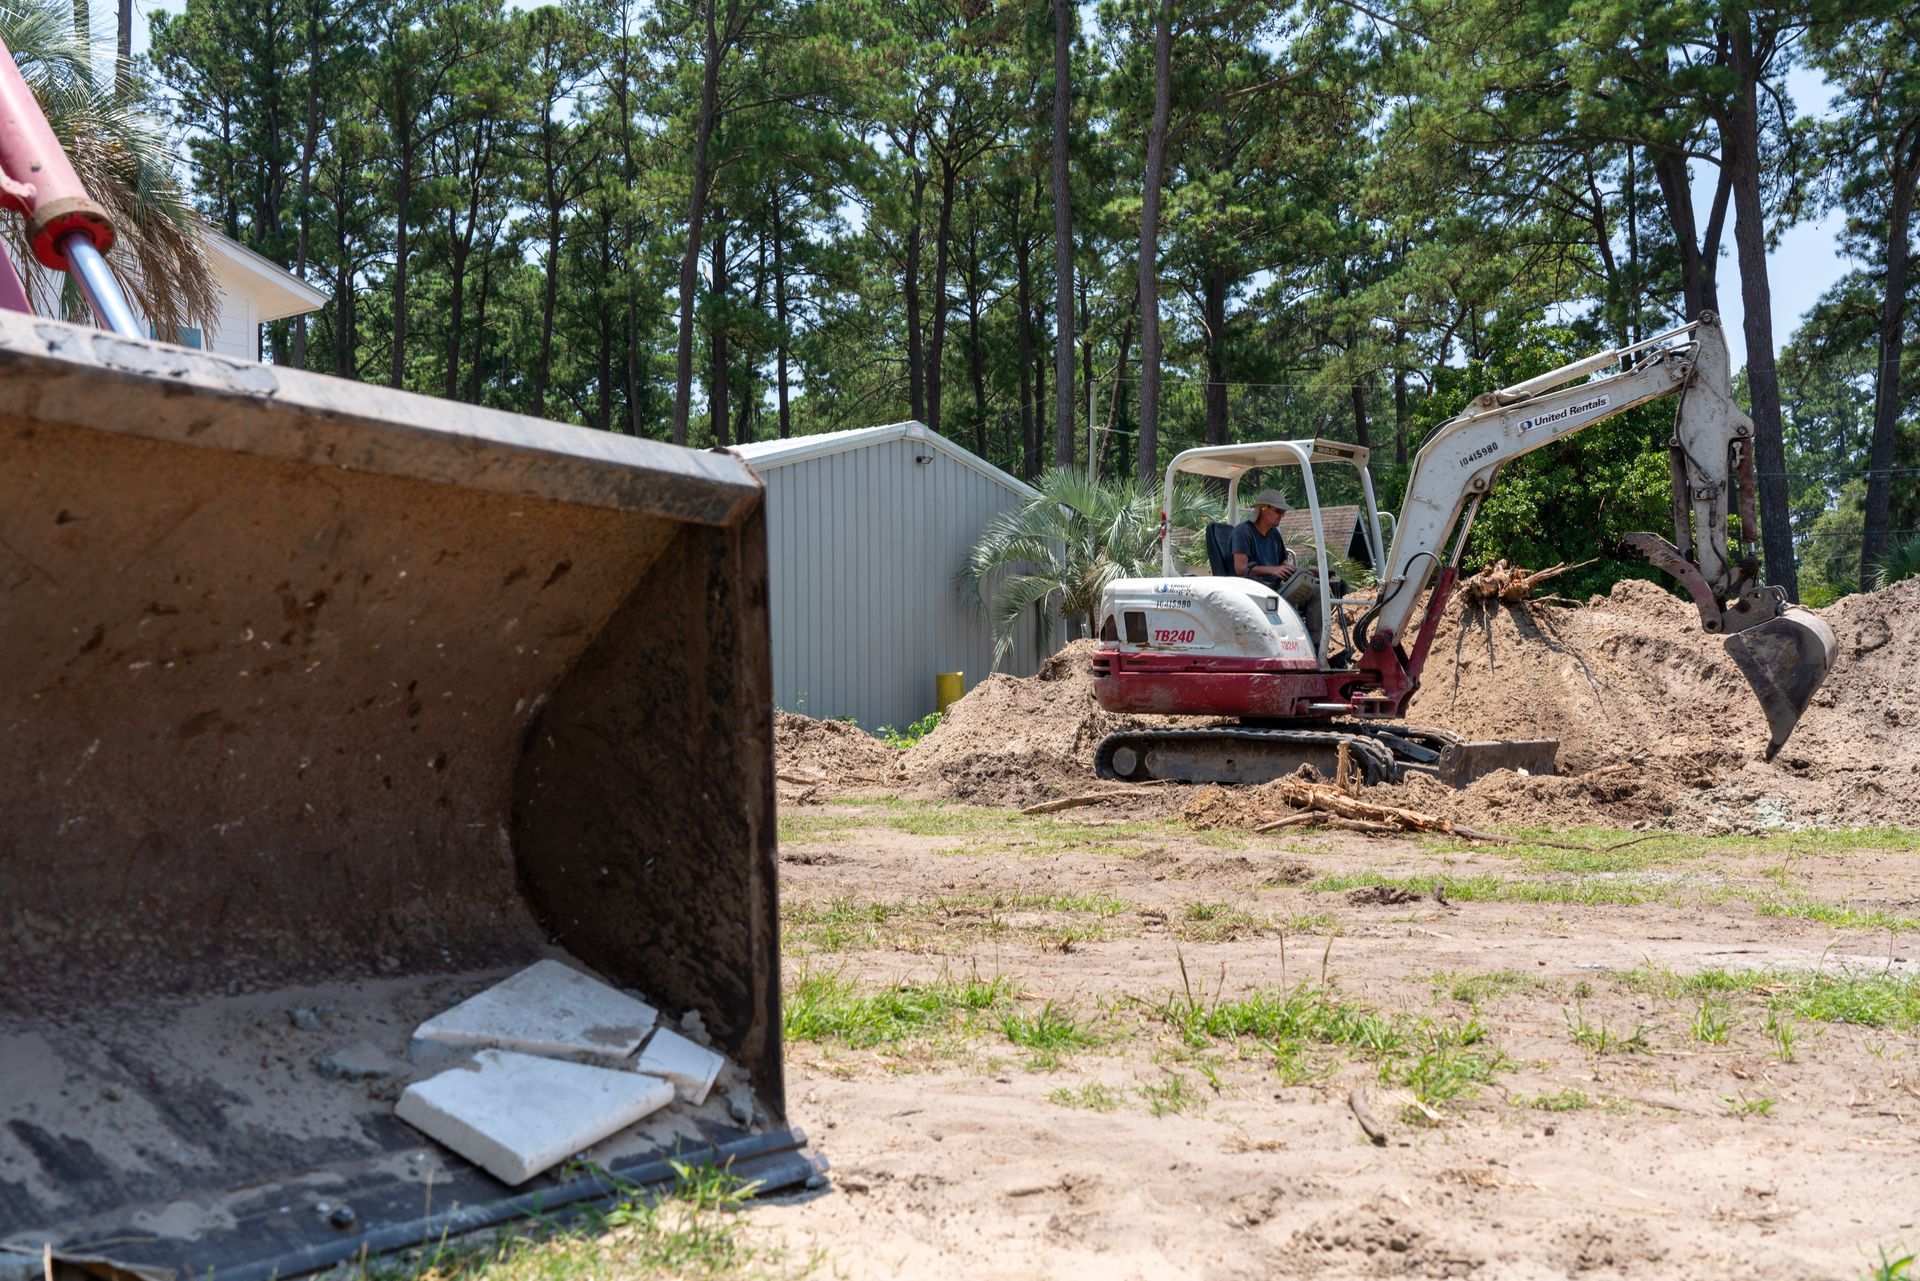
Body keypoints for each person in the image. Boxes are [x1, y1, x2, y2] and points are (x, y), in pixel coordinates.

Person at [1231, 489, 1321, 650]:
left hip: (1275, 589)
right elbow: (1240, 568)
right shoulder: (1243, 532)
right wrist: (1272, 570)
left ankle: (1316, 646)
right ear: (1263, 508)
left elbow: (1281, 566)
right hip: (1255, 593)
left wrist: (1305, 572)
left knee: (1317, 591)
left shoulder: (1274, 535)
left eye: (1283, 513)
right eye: (1278, 511)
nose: (1282, 516)